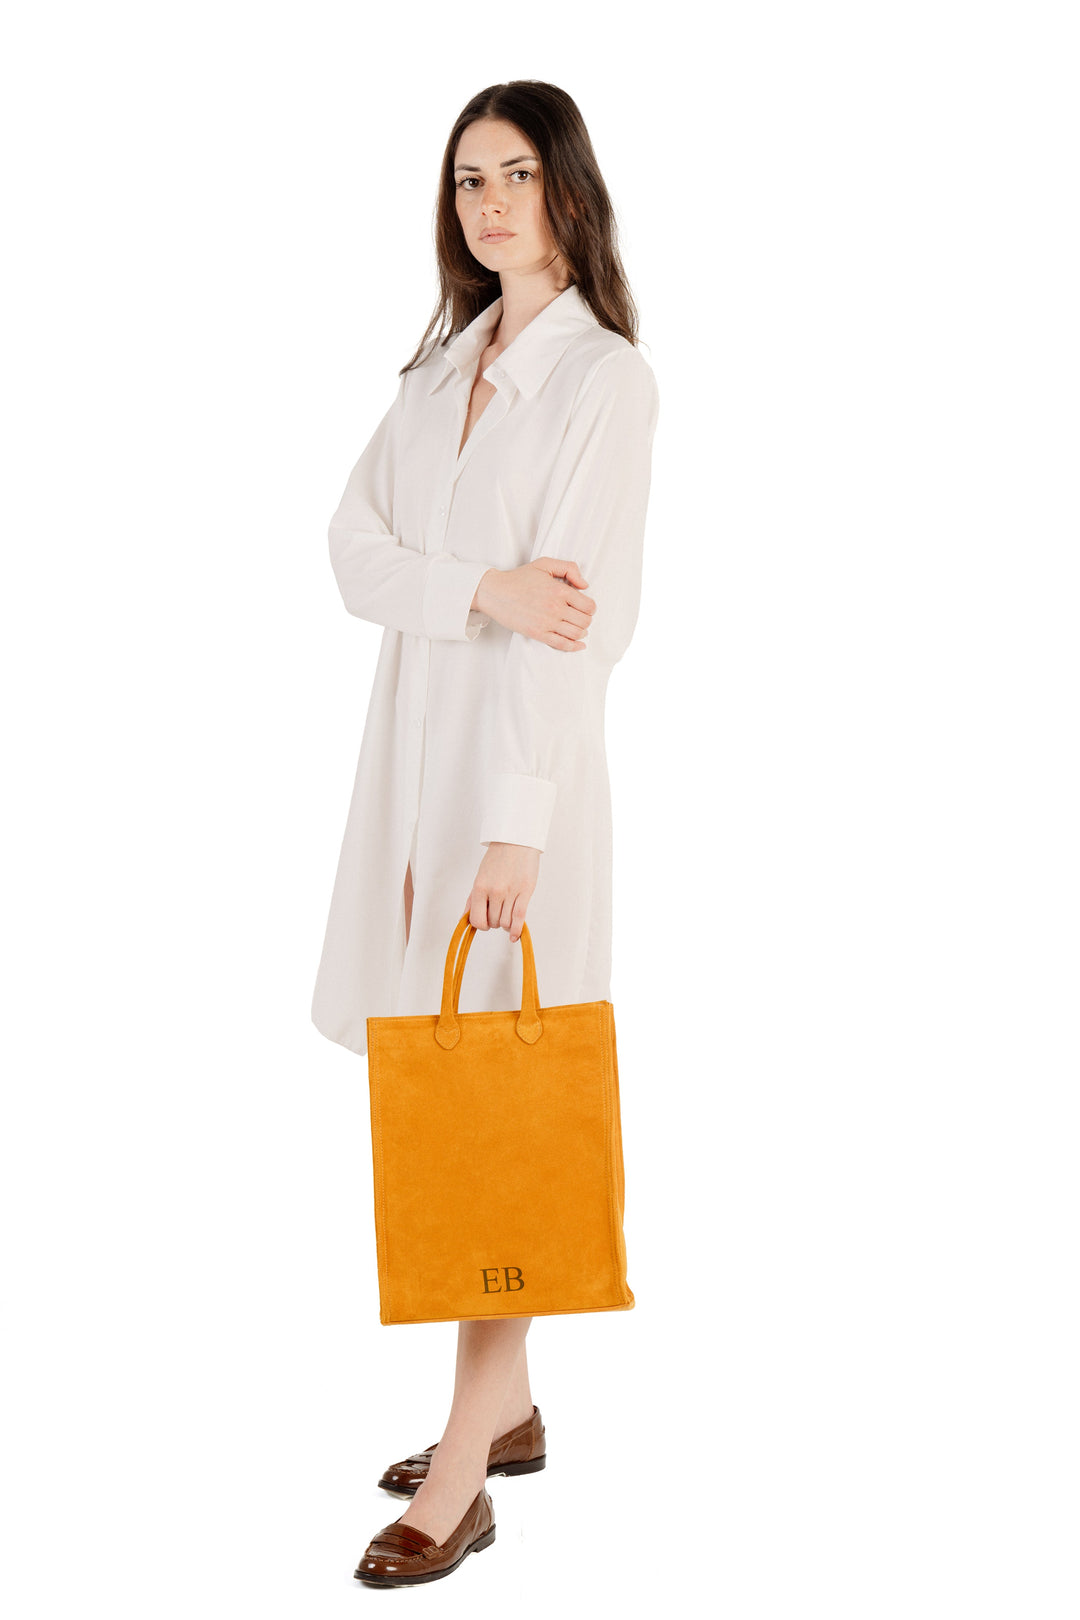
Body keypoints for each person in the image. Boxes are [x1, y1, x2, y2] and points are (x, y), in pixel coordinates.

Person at [310, 79, 660, 1587]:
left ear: (567, 191)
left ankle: (468, 1455)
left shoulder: (604, 383)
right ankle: (506, 1405)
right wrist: (482, 586)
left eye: (517, 174)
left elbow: (582, 622)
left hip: (516, 786)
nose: (491, 203)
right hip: (409, 765)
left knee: (495, 1110)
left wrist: (517, 828)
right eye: (467, 181)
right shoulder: (439, 364)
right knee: (435, 1080)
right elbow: (351, 554)